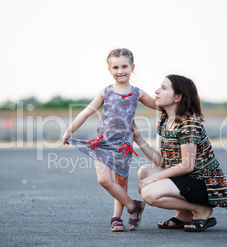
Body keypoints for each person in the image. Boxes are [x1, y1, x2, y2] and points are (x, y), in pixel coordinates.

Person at [62, 48, 157, 232]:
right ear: (109, 69)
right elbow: (87, 111)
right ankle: (133, 206)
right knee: (104, 180)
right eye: (115, 67)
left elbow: (159, 106)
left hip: (123, 144)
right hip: (103, 143)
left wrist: (182, 105)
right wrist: (70, 129)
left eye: (124, 66)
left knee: (120, 182)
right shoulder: (105, 92)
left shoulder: (137, 93)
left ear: (132, 67)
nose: (120, 71)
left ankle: (117, 218)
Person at [132, 74, 227, 232]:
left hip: (201, 182)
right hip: (183, 178)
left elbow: (187, 166)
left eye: (163, 88)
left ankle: (201, 210)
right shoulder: (164, 120)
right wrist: (138, 139)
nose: (156, 91)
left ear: (178, 97)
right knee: (144, 172)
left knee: (149, 194)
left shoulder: (189, 123)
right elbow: (161, 162)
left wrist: (154, 179)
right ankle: (183, 215)